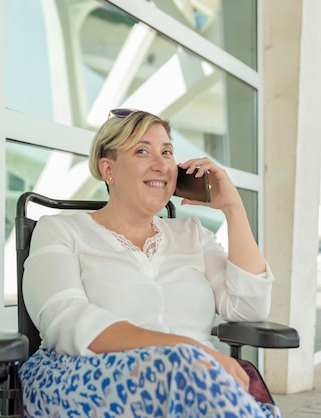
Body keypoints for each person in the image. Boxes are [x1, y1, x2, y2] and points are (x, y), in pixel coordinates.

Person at [18, 109, 280, 417]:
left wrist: (234, 208)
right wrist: (185, 348)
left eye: (167, 152)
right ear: (108, 169)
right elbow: (66, 320)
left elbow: (249, 308)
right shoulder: (61, 231)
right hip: (85, 373)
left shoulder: (192, 234)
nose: (161, 165)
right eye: (142, 151)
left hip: (195, 376)